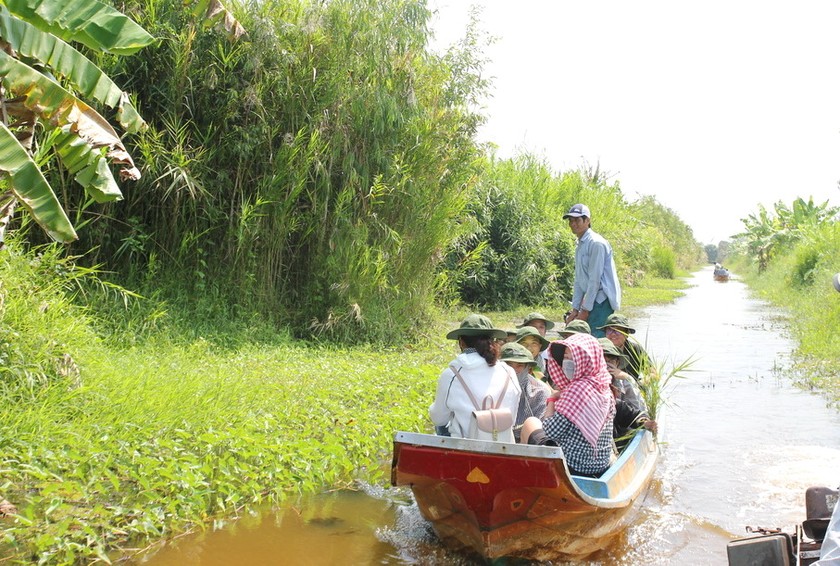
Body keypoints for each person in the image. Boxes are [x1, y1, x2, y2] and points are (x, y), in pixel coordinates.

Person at [519, 332, 615, 477]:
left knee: (531, 423)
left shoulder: (577, 389)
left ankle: (526, 475)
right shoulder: (604, 385)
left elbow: (551, 432)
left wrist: (551, 401)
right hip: (601, 464)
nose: (567, 363)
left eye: (573, 359)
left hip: (573, 466)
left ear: (586, 361)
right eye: (565, 358)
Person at [430, 314, 522, 439]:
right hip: (501, 446)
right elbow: (513, 417)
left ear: (461, 343)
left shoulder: (452, 374)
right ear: (492, 342)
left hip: (464, 448)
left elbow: (438, 419)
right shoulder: (509, 372)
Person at [562, 204, 621, 338]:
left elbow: (595, 280)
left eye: (577, 220)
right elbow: (579, 280)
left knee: (596, 339)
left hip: (601, 301)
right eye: (571, 221)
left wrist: (585, 311)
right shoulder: (581, 244)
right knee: (581, 337)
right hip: (589, 300)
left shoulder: (596, 243)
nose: (573, 224)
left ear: (587, 221)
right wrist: (575, 309)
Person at [599, 338, 656, 448]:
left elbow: (636, 412)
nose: (606, 364)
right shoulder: (587, 384)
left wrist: (628, 379)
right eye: (602, 360)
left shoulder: (624, 382)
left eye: (610, 360)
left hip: (621, 433)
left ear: (617, 362)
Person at [499, 342, 552, 442]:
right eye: (508, 365)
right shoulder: (491, 388)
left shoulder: (539, 393)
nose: (513, 371)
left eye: (519, 365)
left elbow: (540, 433)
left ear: (529, 370)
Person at [598, 313, 653, 383]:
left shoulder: (635, 349)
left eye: (618, 330)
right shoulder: (598, 348)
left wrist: (636, 383)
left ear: (626, 334)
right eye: (609, 330)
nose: (613, 334)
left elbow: (653, 374)